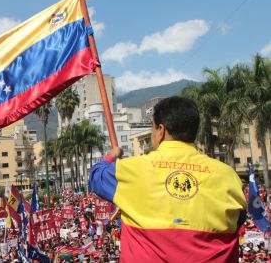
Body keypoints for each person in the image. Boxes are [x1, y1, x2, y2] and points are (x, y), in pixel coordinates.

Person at [89, 96, 246, 262]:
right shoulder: (228, 176)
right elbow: (238, 219)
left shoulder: (132, 170)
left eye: (152, 128)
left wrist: (111, 155)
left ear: (161, 131)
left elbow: (96, 176)